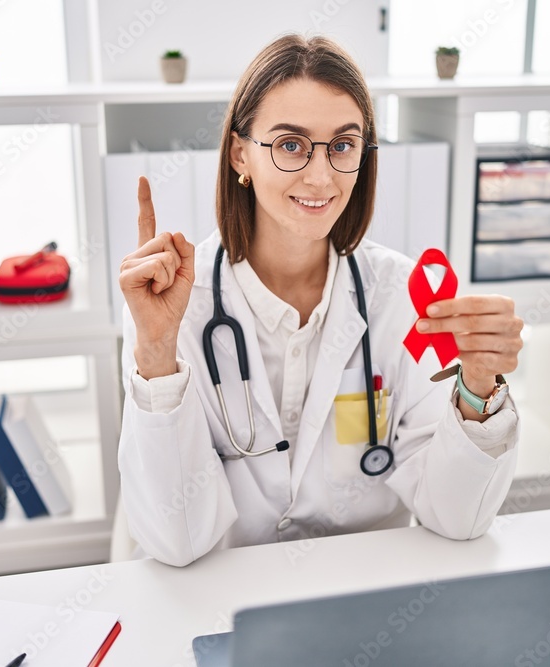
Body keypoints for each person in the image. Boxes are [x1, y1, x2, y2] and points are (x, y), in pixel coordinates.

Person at [117, 34, 523, 567]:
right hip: (219, 601)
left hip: (360, 602)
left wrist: (477, 389)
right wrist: (155, 352)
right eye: (290, 145)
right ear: (241, 153)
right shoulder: (174, 305)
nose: (321, 174)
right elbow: (175, 541)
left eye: (343, 145)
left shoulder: (405, 297)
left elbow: (456, 518)